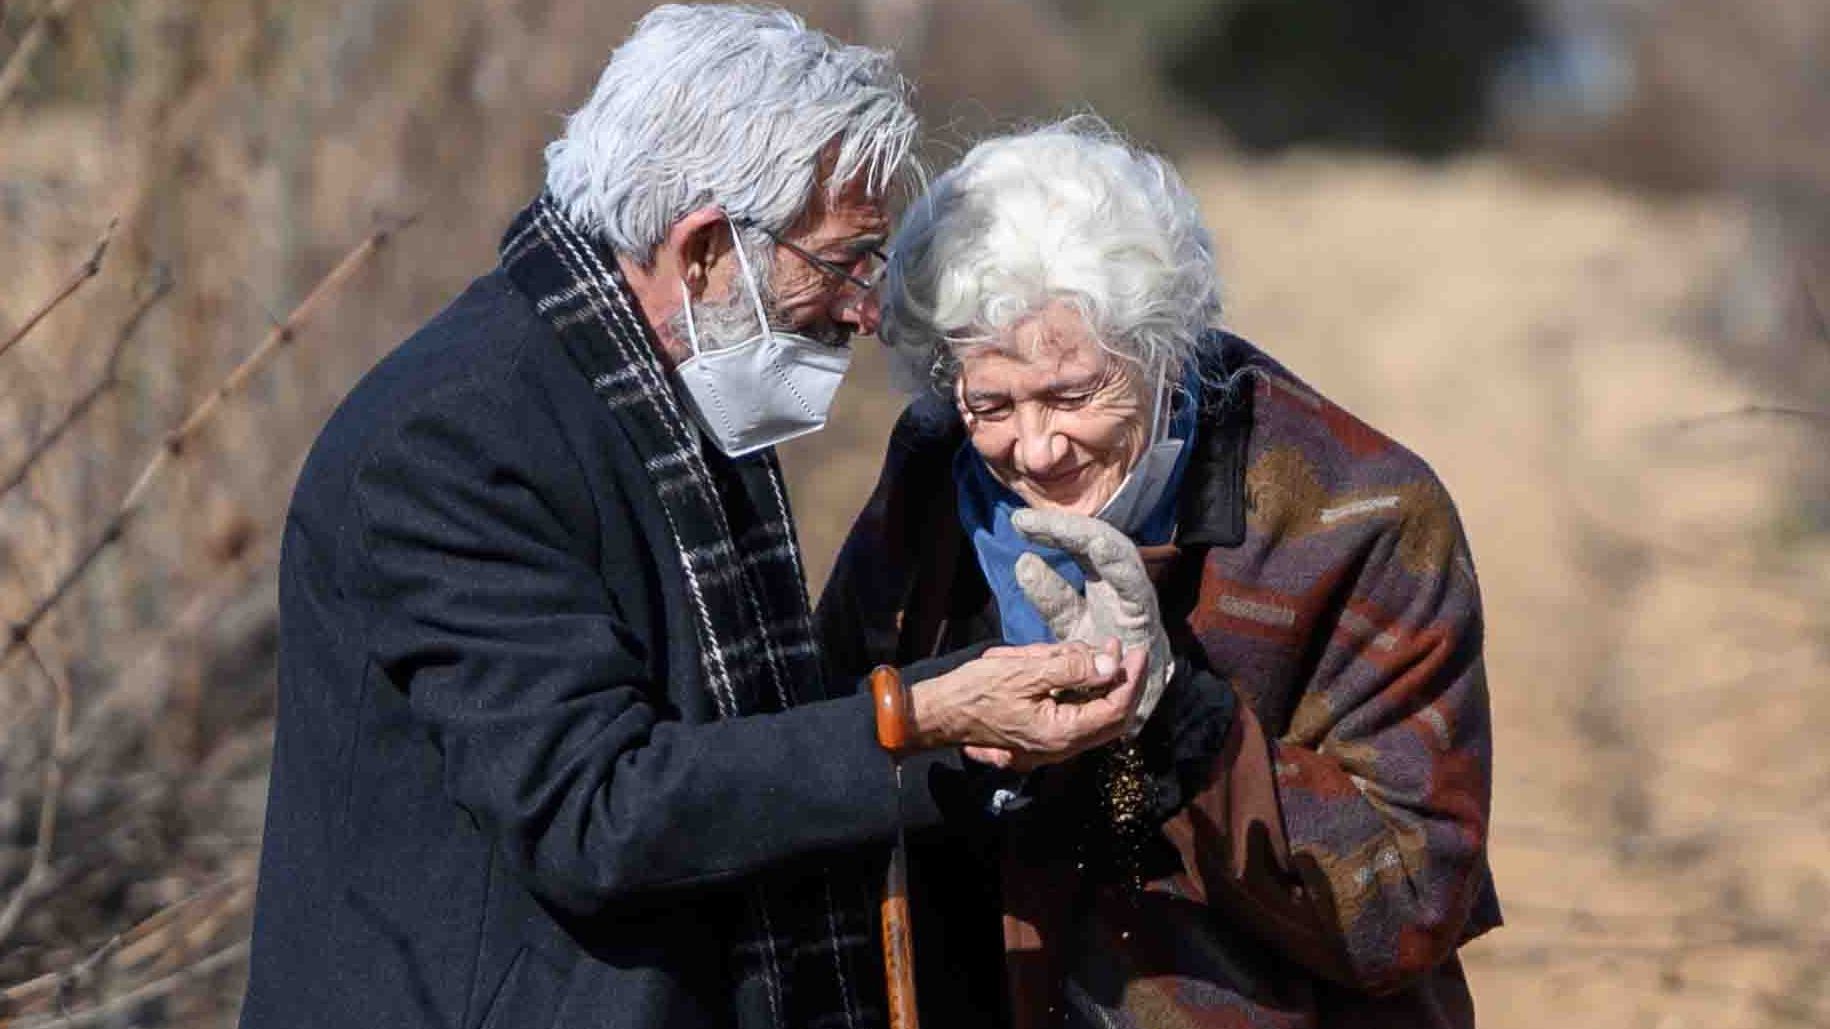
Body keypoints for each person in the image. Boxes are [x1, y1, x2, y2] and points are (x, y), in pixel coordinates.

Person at [238, 13, 1144, 1029]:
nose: (864, 308)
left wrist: (978, 719)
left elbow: (758, 750)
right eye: (847, 262)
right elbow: (596, 809)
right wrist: (921, 719)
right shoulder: (448, 442)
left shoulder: (676, 387)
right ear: (707, 248)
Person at [817, 119, 1502, 1028]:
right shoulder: (935, 477)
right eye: (991, 402)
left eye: (1073, 394)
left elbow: (1409, 903)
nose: (1034, 446)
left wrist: (1182, 721)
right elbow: (836, 731)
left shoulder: (1362, 515)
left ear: (1163, 351)